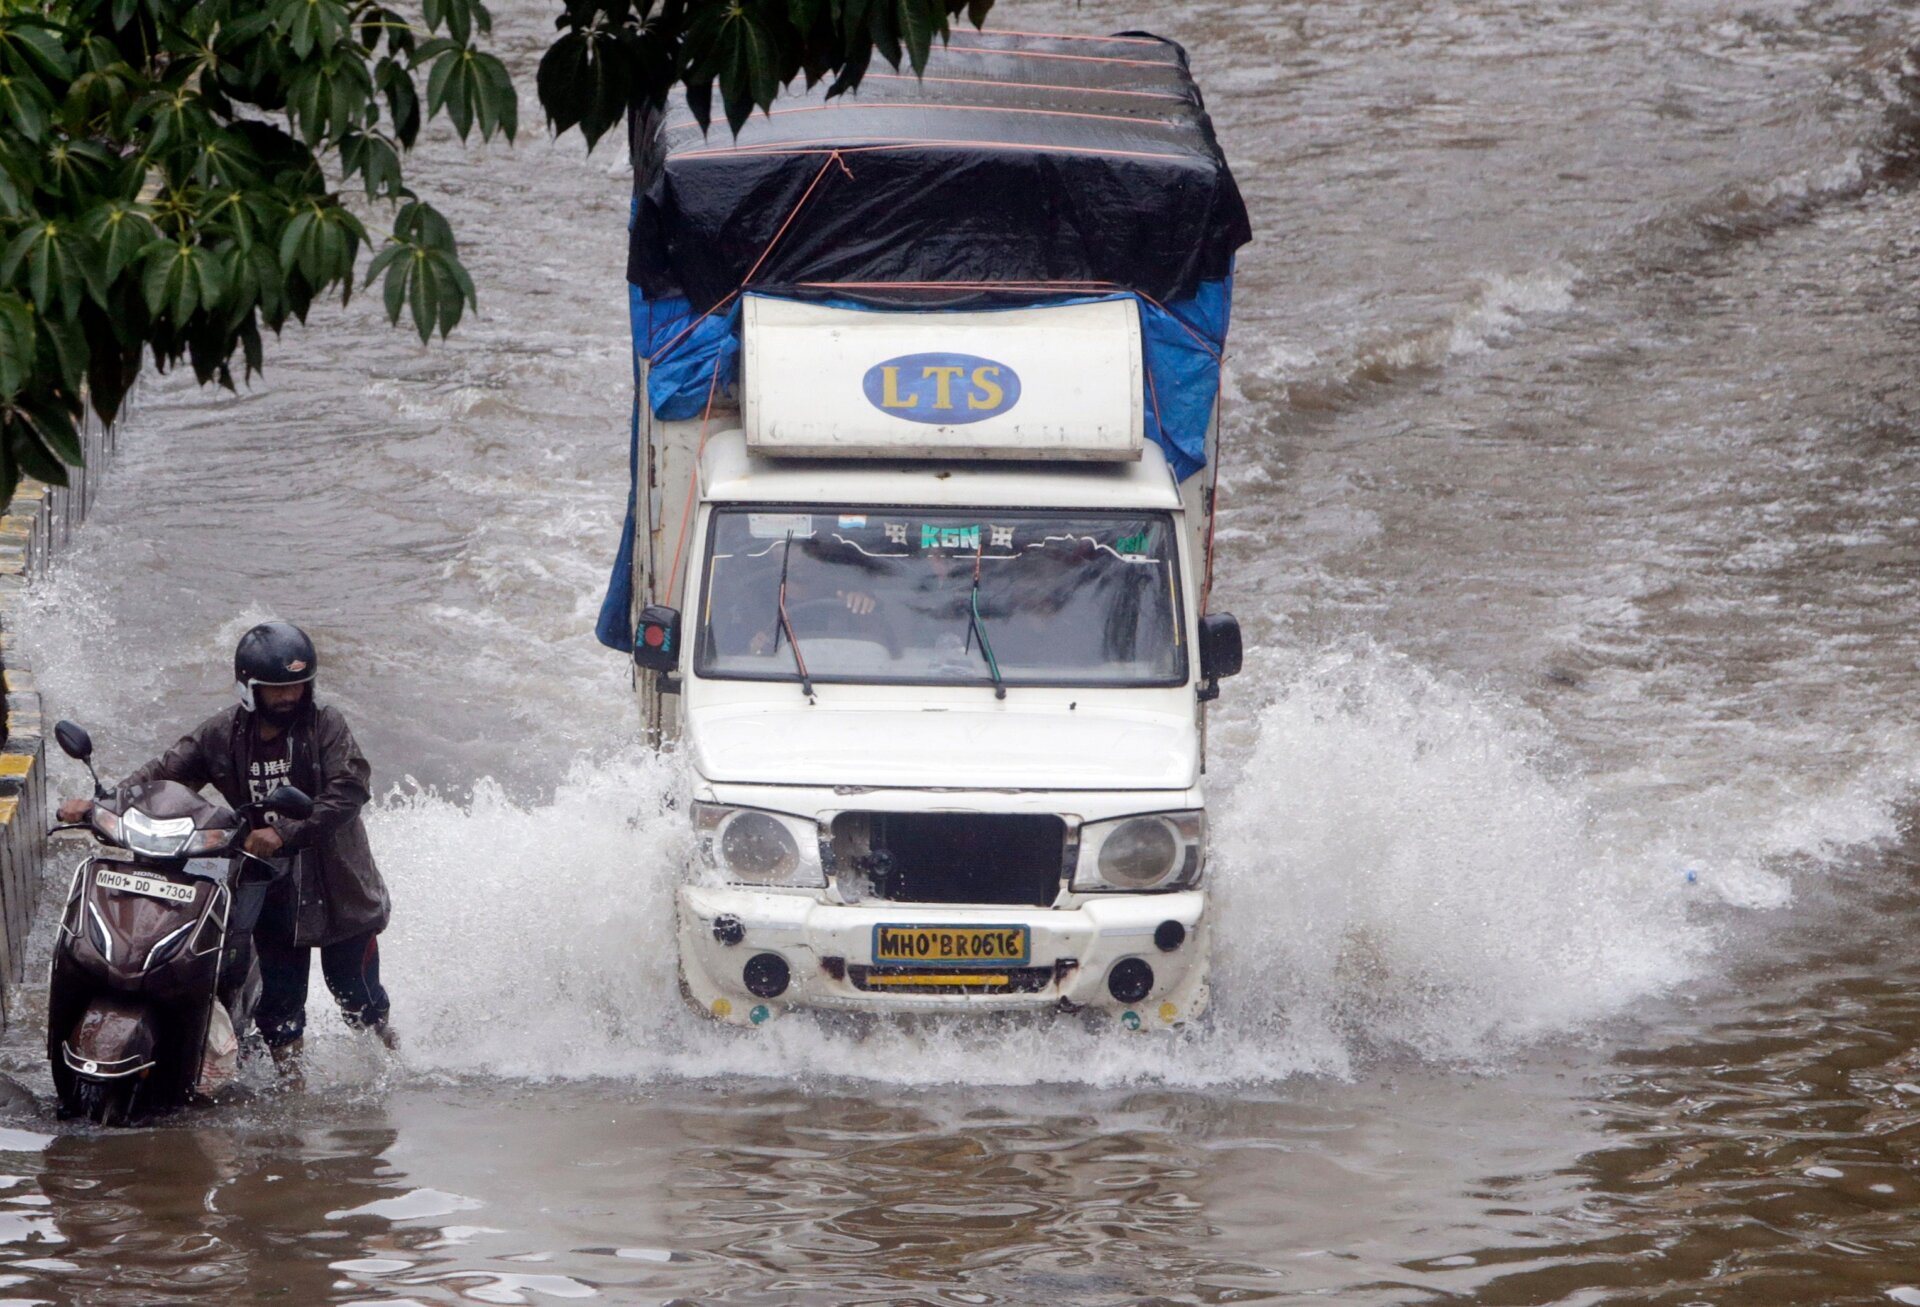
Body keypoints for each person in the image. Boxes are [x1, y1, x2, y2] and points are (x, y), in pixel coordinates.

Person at [56, 621, 394, 1073]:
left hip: (339, 886)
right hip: (268, 884)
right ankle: (290, 1088)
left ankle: (391, 1067)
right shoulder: (222, 734)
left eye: (298, 687)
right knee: (278, 1008)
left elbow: (349, 790)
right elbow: (162, 775)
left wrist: (284, 833)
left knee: (357, 996)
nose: (289, 698)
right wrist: (101, 806)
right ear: (248, 689)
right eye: (277, 690)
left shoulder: (326, 725)